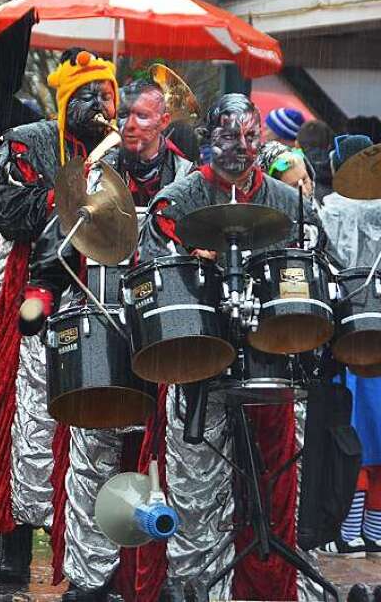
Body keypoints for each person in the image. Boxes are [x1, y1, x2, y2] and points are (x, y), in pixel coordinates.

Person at [135, 93, 324, 602]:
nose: (240, 147)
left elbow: (316, 265)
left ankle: (268, 584)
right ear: (206, 141)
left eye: (250, 136)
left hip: (274, 355)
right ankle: (199, 587)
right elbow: (152, 271)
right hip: (198, 357)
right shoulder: (177, 199)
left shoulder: (290, 201)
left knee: (276, 478)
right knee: (198, 485)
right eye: (227, 136)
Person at [47, 73, 192, 600]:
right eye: (125, 113)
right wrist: (44, 293)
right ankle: (90, 577)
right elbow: (56, 241)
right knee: (95, 451)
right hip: (104, 318)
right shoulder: (93, 171)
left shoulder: (187, 174)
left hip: (166, 328)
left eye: (142, 116)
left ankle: (161, 573)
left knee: (164, 456)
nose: (128, 124)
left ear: (164, 122)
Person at [0, 47, 118, 584]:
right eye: (86, 95)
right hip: (36, 288)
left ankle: (90, 549)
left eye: (105, 94)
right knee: (29, 419)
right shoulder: (30, 141)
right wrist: (74, 188)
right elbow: (7, 213)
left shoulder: (121, 148)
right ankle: (17, 543)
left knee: (91, 417)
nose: (98, 104)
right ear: (65, 101)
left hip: (99, 286)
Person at [319, 135, 381, 560]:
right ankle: (375, 528)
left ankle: (346, 525)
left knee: (351, 435)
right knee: (377, 436)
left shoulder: (329, 211)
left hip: (347, 331)